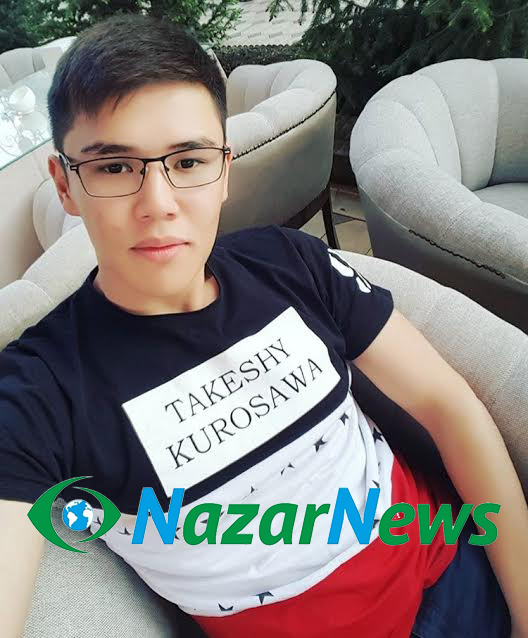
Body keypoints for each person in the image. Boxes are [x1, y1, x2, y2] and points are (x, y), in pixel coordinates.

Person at [0, 13, 526, 638]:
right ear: (65, 185)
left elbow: (447, 405)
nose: (158, 204)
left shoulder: (290, 264)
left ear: (223, 170)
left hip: (455, 575)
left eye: (188, 161)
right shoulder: (40, 391)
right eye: (114, 167)